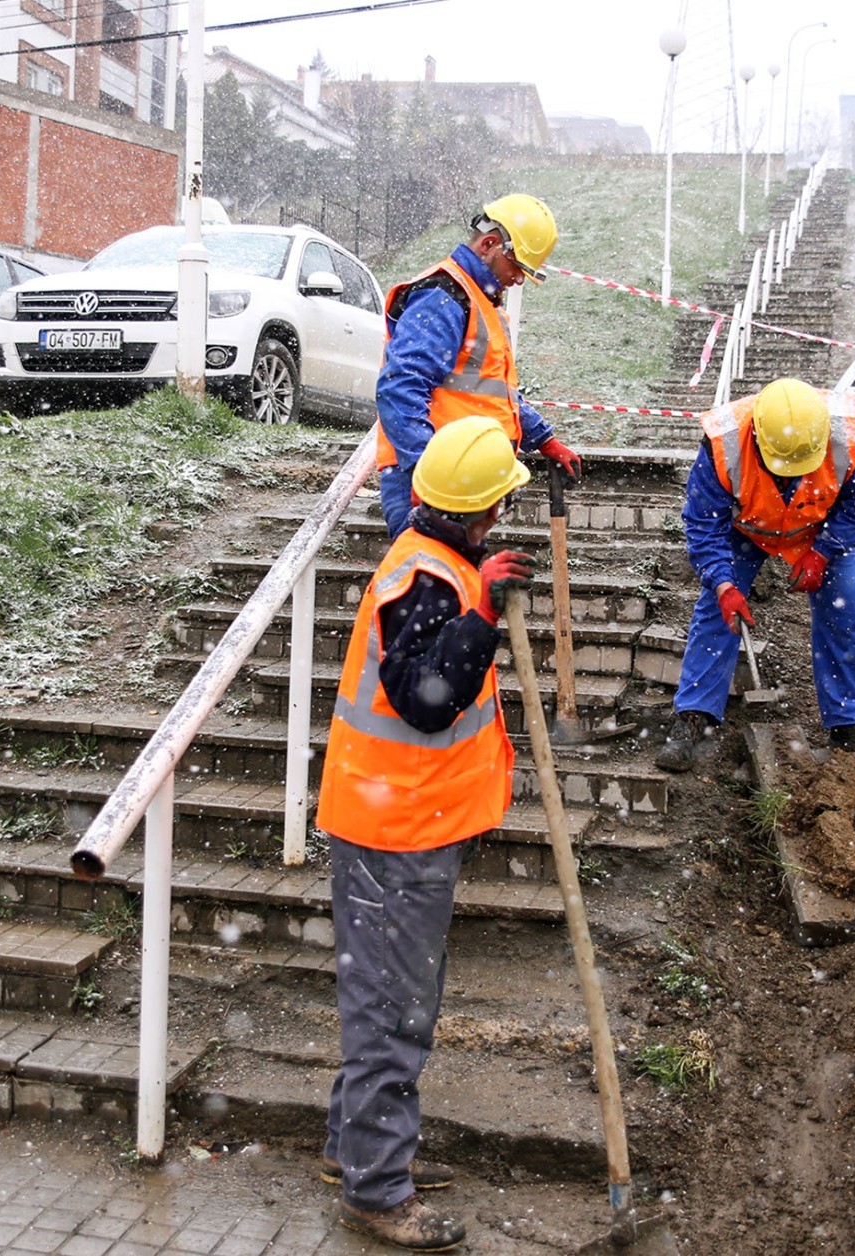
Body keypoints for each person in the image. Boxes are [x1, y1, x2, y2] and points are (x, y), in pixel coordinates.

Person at [314, 415, 536, 1252]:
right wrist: (478, 614)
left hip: (402, 818)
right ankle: (378, 1190)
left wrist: (475, 590)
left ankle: (352, 1152)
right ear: (483, 511)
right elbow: (427, 697)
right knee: (394, 1010)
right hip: (395, 828)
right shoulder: (431, 581)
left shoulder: (434, 557)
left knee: (390, 997)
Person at [657, 377, 855, 772]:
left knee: (842, 613)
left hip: (821, 527)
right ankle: (693, 718)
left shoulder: (847, 433)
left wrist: (823, 552)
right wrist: (724, 583)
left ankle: (849, 721)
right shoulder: (723, 441)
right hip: (748, 529)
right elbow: (702, 523)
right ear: (757, 436)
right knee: (717, 613)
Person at [375, 193, 584, 538]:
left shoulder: (478, 302)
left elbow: (493, 391)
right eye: (517, 267)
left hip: (459, 480)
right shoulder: (444, 296)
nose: (518, 280)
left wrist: (544, 438)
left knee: (453, 585)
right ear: (489, 244)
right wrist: (424, 472)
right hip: (437, 481)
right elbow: (400, 388)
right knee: (432, 584)